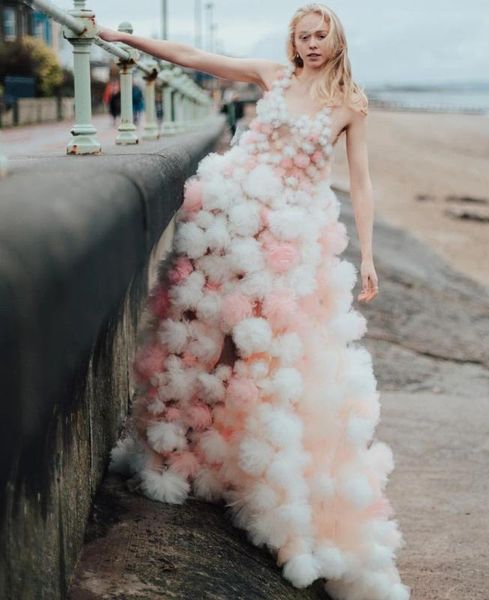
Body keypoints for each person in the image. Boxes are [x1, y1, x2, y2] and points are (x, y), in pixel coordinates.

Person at [98, 4, 410, 599]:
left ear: (336, 40)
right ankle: (177, 452)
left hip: (292, 239)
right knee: (195, 331)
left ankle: (239, 464)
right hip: (228, 220)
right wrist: (121, 37)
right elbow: (195, 58)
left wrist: (367, 255)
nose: (313, 45)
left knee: (265, 355)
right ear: (293, 43)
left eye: (321, 36)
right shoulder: (274, 75)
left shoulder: (352, 104)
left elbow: (361, 181)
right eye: (304, 37)